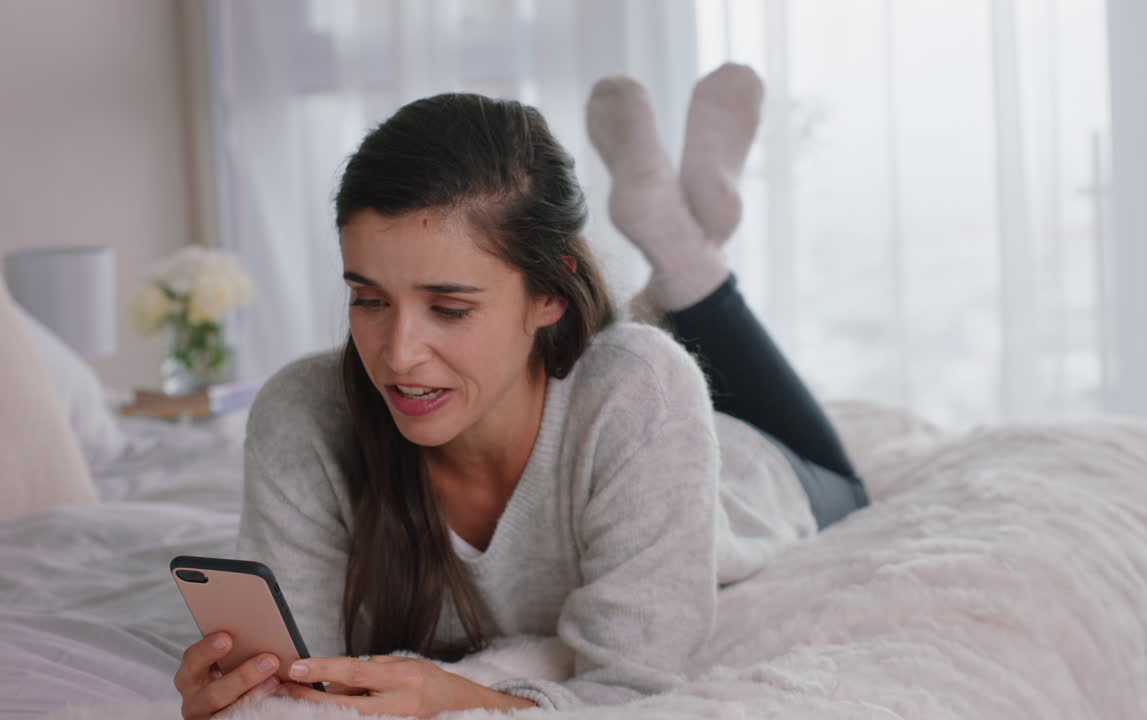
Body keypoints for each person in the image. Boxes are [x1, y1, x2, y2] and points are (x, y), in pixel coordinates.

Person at [172, 64, 867, 719]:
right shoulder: (302, 412)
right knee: (621, 354)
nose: (399, 357)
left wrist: (462, 700)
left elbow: (633, 689)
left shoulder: (642, 391)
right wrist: (246, 692)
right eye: (369, 300)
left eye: (449, 308)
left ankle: (678, 245)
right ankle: (663, 250)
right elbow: (302, 680)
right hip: (580, 375)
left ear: (550, 293)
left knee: (829, 472)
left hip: (762, 473)